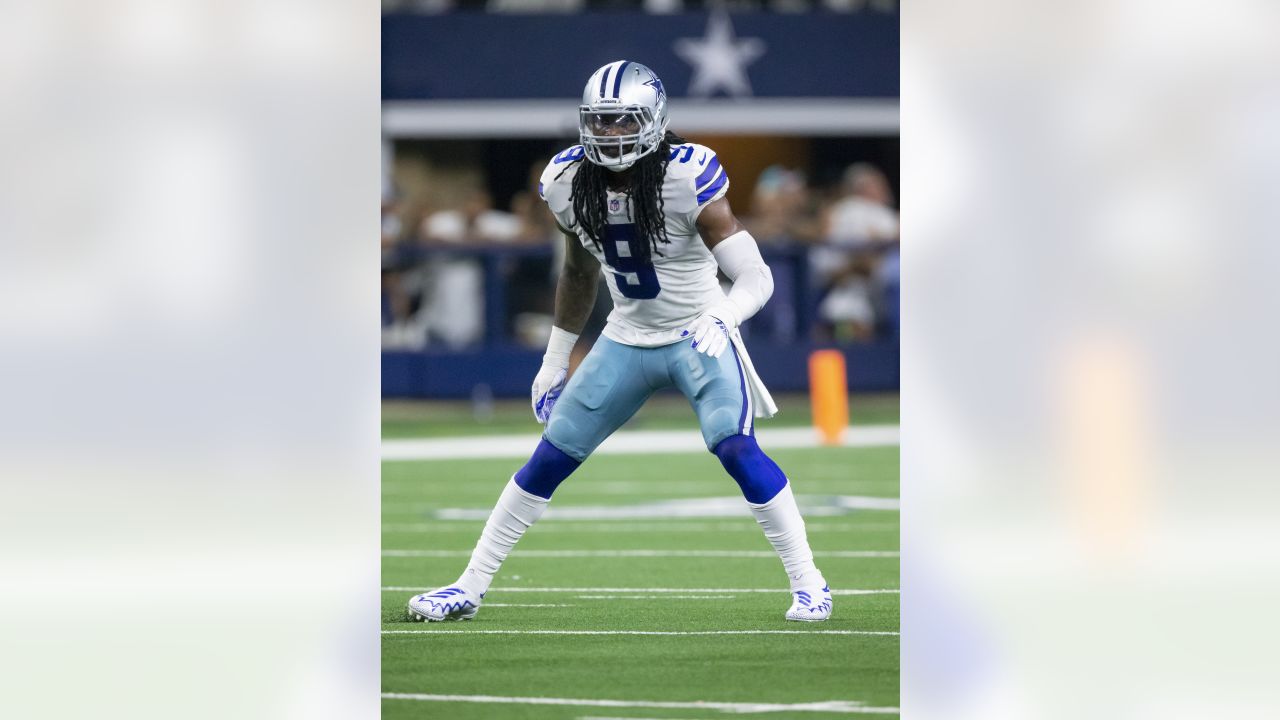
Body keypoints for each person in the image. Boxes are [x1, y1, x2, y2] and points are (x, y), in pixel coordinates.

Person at [406, 61, 832, 623]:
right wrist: (555, 359)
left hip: (696, 333)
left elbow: (756, 277)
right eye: (599, 121)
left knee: (734, 447)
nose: (609, 133)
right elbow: (579, 275)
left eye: (621, 120)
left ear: (653, 119)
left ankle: (810, 584)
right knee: (549, 459)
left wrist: (726, 317)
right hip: (627, 337)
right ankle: (469, 585)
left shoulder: (688, 175)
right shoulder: (565, 181)